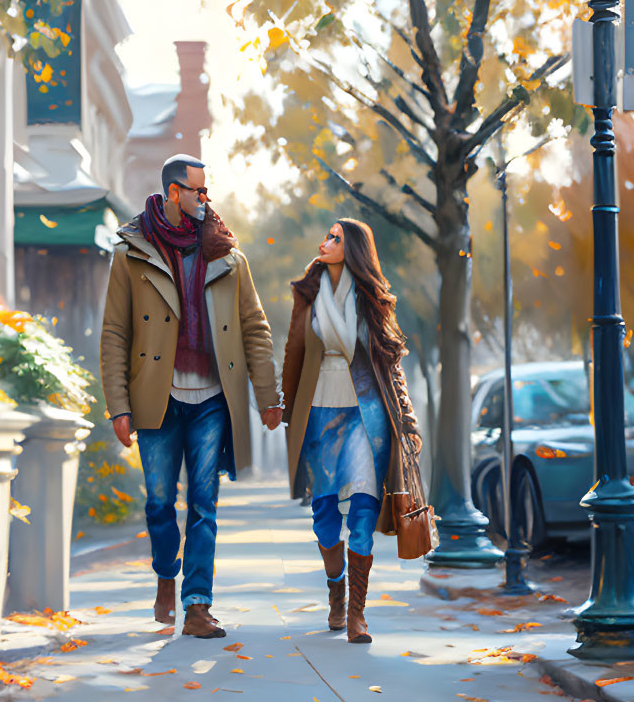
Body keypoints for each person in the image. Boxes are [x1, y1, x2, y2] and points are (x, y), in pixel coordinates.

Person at [100, 154, 283, 639]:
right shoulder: (132, 253)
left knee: (204, 503)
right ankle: (166, 574)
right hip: (155, 397)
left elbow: (254, 330)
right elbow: (115, 333)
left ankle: (197, 604)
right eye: (197, 191)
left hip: (211, 399)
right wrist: (118, 404)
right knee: (160, 502)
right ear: (173, 192)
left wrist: (269, 396)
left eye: (208, 191)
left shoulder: (227, 256)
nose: (205, 199)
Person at [281, 218, 425, 643]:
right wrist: (285, 410)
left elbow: (391, 364)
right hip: (320, 412)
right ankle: (336, 594)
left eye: (335, 238)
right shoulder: (307, 293)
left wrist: (408, 420)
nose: (324, 242)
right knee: (325, 516)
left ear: (354, 249)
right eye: (326, 235)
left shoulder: (371, 298)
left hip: (368, 414)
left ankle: (358, 615)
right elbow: (293, 353)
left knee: (363, 511)